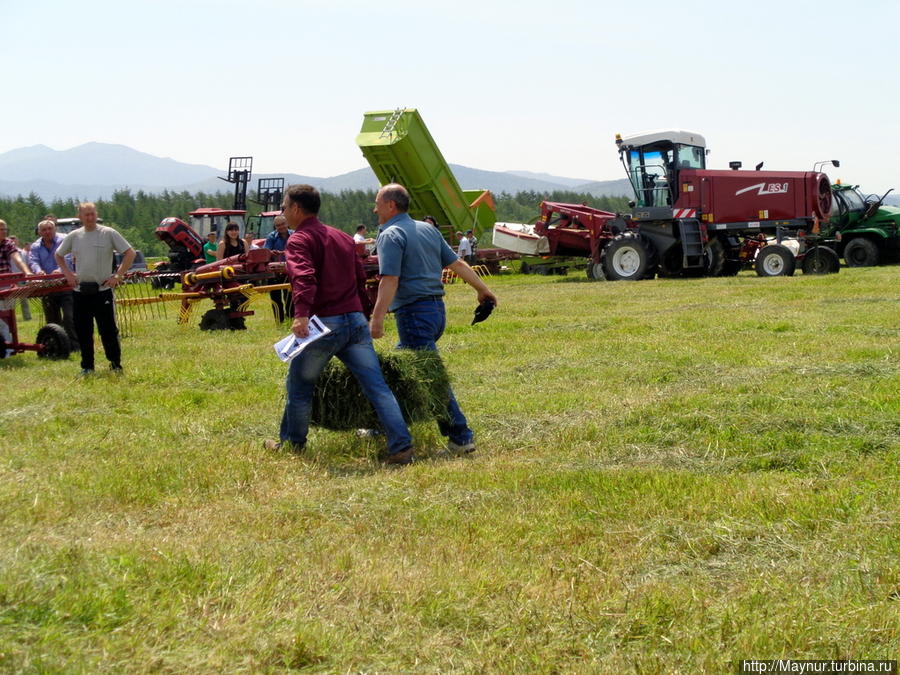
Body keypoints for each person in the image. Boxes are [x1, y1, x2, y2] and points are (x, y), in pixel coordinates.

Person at [265, 184, 414, 465]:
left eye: (284, 207)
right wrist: (365, 314)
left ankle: (292, 444)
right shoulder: (343, 237)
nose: (283, 212)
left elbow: (304, 278)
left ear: (296, 208)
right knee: (377, 387)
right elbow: (360, 279)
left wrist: (301, 314)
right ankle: (401, 446)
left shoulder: (298, 240)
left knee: (300, 387)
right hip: (354, 321)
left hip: (323, 325)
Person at [369, 183, 497, 456]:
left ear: (391, 205)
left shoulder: (390, 234)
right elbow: (457, 264)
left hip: (414, 315)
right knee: (402, 374)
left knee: (432, 379)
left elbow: (390, 279)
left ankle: (461, 438)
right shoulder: (427, 229)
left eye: (377, 202)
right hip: (436, 312)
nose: (374, 208)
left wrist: (377, 318)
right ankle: (383, 426)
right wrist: (482, 289)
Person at [54, 202, 135, 375]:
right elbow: (58, 255)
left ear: (96, 214)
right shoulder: (74, 236)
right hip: (80, 292)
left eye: (92, 214)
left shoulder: (108, 233)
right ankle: (87, 367)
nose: (90, 217)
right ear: (80, 217)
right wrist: (68, 274)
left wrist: (118, 275)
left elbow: (130, 253)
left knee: (108, 330)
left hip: (102, 291)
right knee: (83, 331)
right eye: (86, 214)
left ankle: (115, 364)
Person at [29, 219, 78, 349]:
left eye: (49, 229)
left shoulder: (64, 240)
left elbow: (67, 257)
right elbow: (33, 261)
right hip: (47, 287)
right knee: (52, 319)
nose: (47, 232)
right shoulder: (35, 246)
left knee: (69, 317)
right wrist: (38, 271)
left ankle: (74, 345)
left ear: (54, 229)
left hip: (65, 284)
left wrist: (60, 269)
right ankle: (57, 345)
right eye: (44, 230)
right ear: (39, 232)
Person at [263, 215, 292, 322]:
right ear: (275, 226)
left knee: (290, 297)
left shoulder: (294, 235)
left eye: (282, 224)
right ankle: (279, 321)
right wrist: (270, 252)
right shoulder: (271, 237)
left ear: (287, 223)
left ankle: (290, 318)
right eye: (278, 225)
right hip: (274, 271)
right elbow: (265, 251)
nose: (281, 227)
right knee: (275, 298)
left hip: (290, 270)